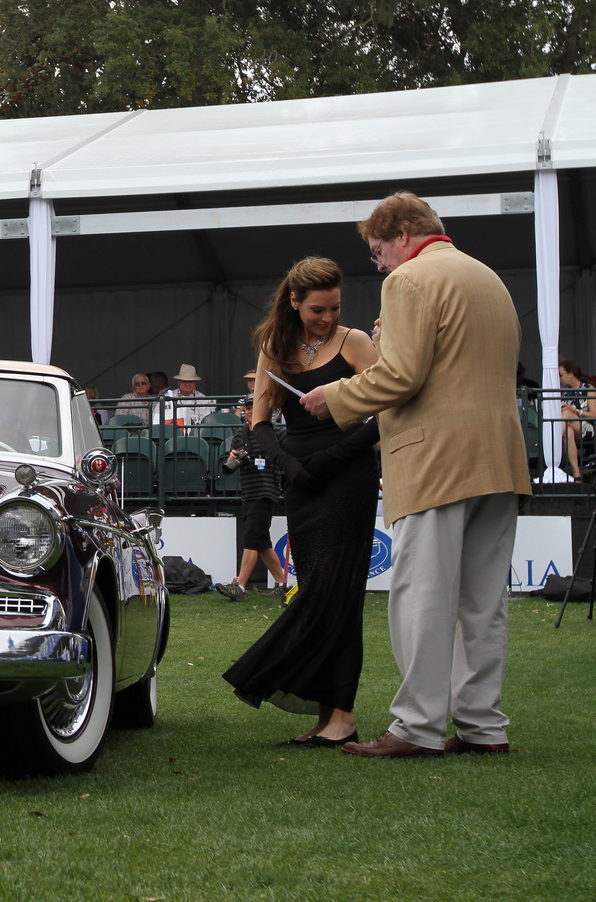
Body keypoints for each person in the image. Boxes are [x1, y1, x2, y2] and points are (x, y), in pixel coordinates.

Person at [300, 193, 531, 759]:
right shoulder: (487, 279)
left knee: (421, 596)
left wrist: (335, 396)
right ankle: (482, 727)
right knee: (482, 600)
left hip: (436, 461)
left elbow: (402, 378)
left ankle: (417, 727)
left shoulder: (408, 282)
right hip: (499, 458)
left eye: (379, 250)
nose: (378, 263)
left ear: (401, 233)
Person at [222, 256, 380, 747]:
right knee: (316, 587)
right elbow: (261, 420)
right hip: (301, 485)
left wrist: (331, 458)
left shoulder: (355, 342)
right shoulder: (276, 346)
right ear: (294, 302)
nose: (328, 318)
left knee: (337, 595)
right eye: (318, 310)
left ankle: (339, 712)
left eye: (335, 307)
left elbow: (384, 412)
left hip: (348, 478)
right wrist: (289, 466)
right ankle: (329, 713)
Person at [213, 396, 289, 603]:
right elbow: (232, 465)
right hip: (248, 491)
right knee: (263, 542)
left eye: (254, 407)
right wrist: (232, 458)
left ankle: (240, 586)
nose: (249, 411)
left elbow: (285, 457)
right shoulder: (240, 435)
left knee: (251, 539)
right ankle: (283, 585)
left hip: (266, 491)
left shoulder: (277, 432)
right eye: (247, 408)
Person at [557, 358, 595, 480]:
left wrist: (576, 411)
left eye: (561, 375)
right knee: (568, 432)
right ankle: (576, 473)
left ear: (571, 374)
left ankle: (553, 443)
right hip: (570, 426)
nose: (560, 378)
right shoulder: (565, 393)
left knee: (567, 412)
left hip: (587, 427)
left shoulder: (588, 389)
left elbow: (594, 414)